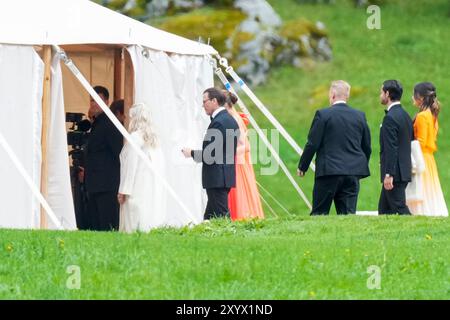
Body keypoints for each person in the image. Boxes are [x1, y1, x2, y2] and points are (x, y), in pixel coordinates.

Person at [297, 80, 371, 215]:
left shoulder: (323, 114)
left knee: (319, 214)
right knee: (348, 216)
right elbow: (366, 146)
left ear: (332, 95)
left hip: (329, 172)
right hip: (352, 173)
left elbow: (312, 143)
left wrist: (303, 166)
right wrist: (359, 166)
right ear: (347, 96)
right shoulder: (360, 116)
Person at [182, 87, 240, 220]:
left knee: (222, 217)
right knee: (209, 218)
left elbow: (210, 155)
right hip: (225, 176)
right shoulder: (231, 120)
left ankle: (233, 239)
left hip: (217, 178)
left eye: (205, 101)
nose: (203, 106)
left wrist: (191, 153)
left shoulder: (218, 122)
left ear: (214, 101)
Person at [118, 103, 167, 232]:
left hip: (137, 186)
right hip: (152, 187)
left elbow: (130, 165)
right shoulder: (155, 140)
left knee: (134, 222)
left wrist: (124, 190)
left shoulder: (135, 137)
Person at [84, 86, 123, 230]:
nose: (94, 104)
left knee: (106, 226)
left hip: (107, 186)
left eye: (98, 100)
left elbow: (118, 153)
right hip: (94, 185)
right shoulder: (97, 123)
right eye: (92, 100)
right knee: (96, 226)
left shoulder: (110, 123)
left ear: (106, 102)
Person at [406, 82, 448, 216]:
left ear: (421, 98)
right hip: (428, 158)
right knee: (429, 188)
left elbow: (421, 142)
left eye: (414, 95)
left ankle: (420, 212)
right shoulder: (432, 115)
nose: (412, 97)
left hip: (421, 156)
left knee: (420, 188)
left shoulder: (422, 116)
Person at [222, 90, 264, 221]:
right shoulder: (231, 117)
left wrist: (228, 152)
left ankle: (240, 217)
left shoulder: (234, 119)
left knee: (238, 193)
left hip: (237, 163)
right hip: (234, 161)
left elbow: (246, 146)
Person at [378, 80, 413, 215]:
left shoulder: (390, 118)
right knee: (384, 210)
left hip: (395, 174)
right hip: (403, 170)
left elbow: (391, 148)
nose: (380, 95)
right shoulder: (405, 116)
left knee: (399, 208)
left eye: (381, 92)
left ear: (387, 94)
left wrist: (389, 174)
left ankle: (416, 232)